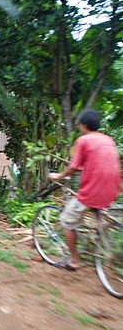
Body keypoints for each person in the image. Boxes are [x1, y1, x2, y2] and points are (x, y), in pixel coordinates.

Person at [49, 110, 121, 270]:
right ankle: (95, 243)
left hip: (93, 192)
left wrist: (59, 176)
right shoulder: (108, 139)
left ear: (84, 125)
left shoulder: (83, 140)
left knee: (67, 221)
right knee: (93, 215)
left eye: (80, 125)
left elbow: (73, 167)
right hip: (113, 190)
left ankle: (74, 260)